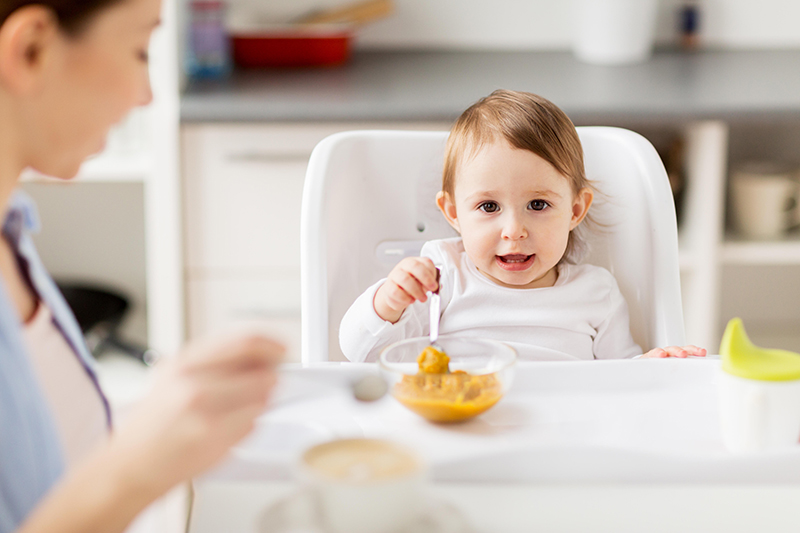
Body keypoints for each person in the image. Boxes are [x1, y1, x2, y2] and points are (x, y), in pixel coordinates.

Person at [0, 0, 284, 532]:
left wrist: (168, 419)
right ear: (32, 48)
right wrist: (138, 468)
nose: (146, 94)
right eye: (138, 49)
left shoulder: (12, 224)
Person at [340, 89, 706, 362]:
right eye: (488, 206)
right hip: (465, 426)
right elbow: (362, 354)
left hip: (563, 436)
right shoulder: (441, 276)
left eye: (538, 204)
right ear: (453, 213)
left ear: (576, 210)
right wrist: (388, 301)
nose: (514, 230)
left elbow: (620, 380)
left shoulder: (597, 293)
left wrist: (651, 366)